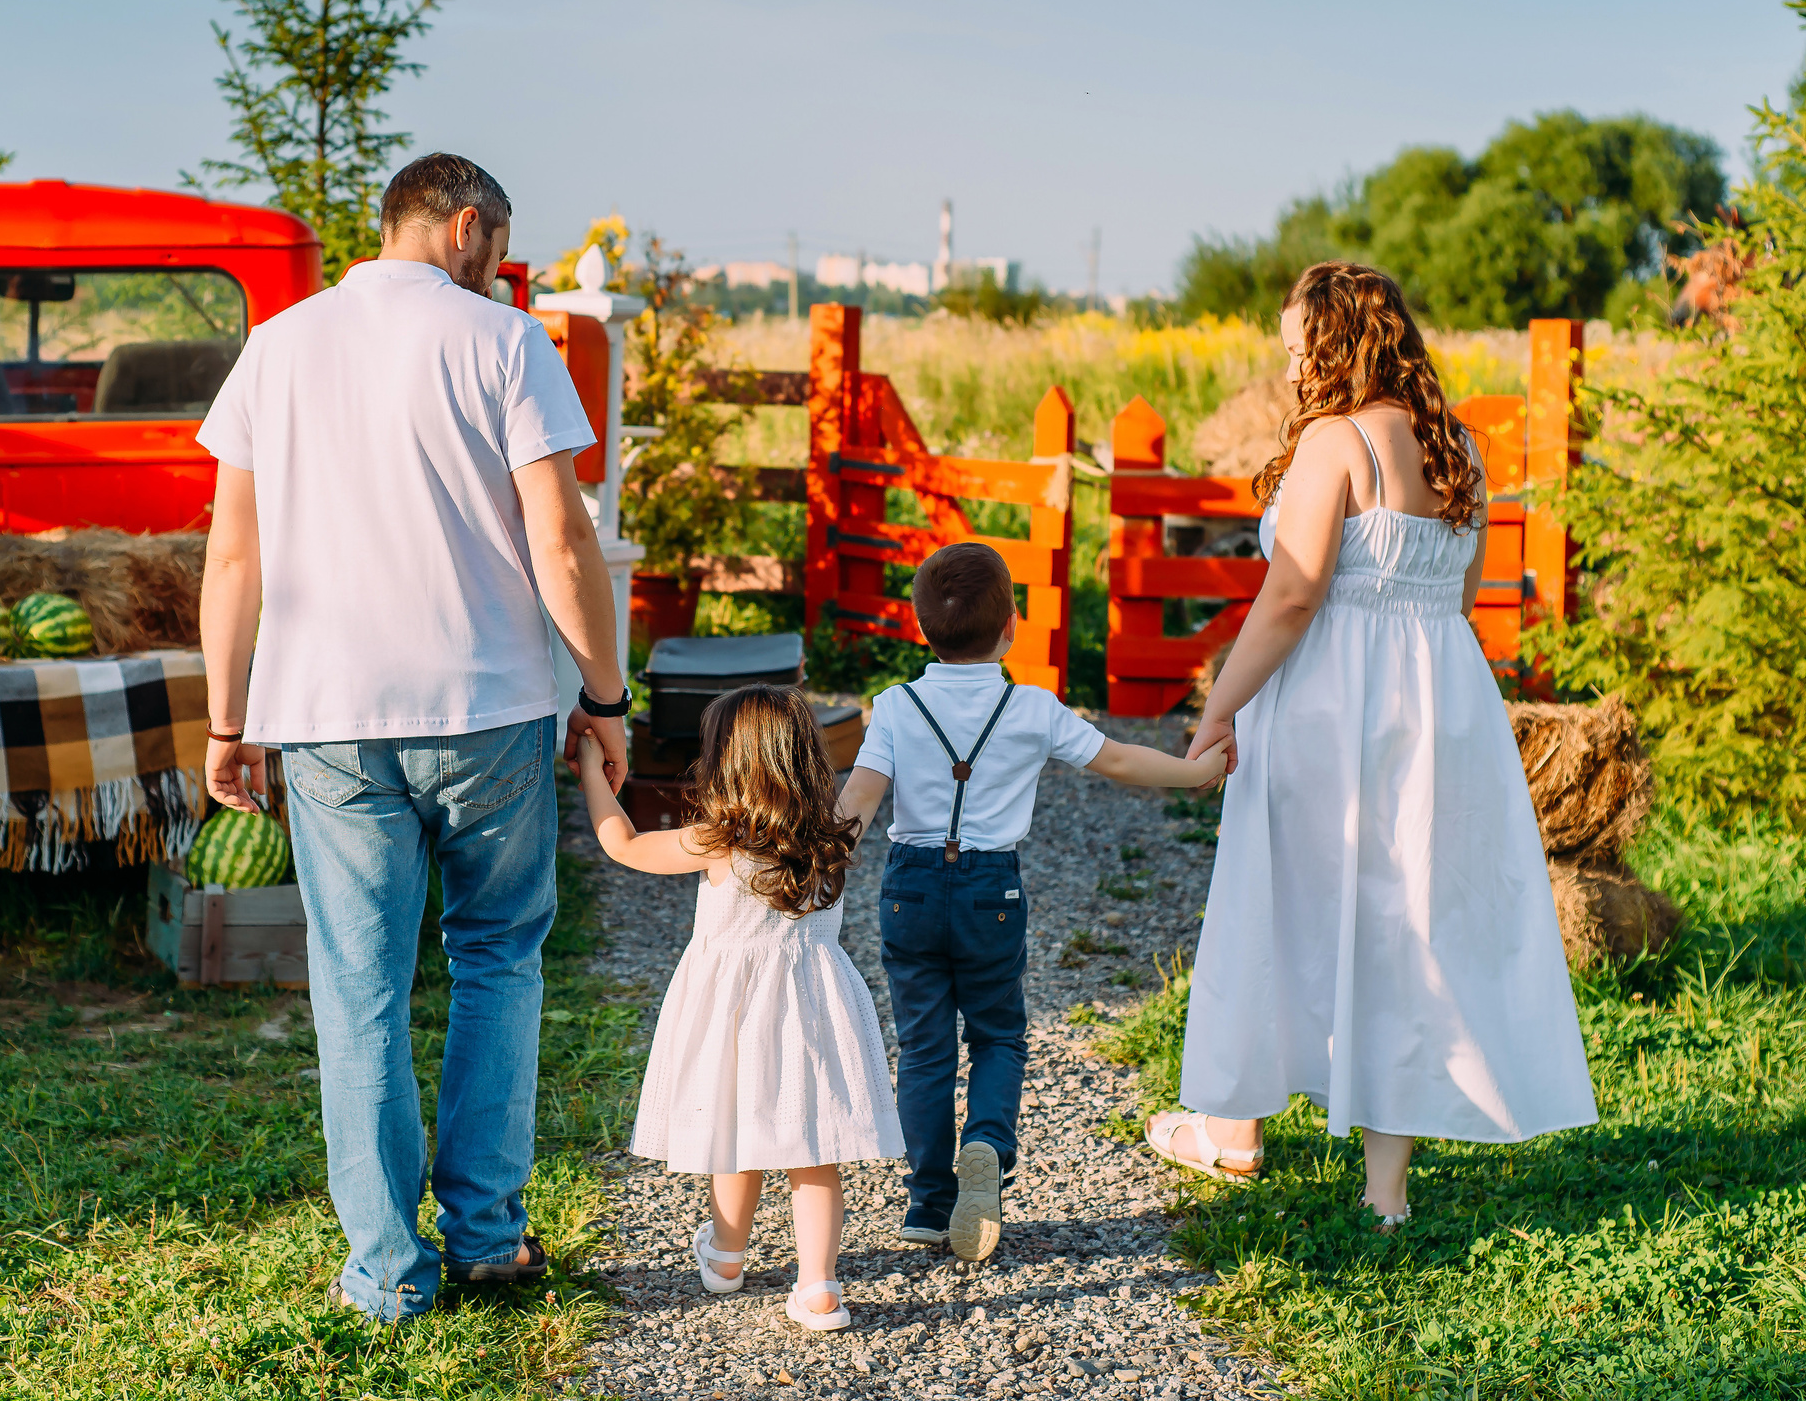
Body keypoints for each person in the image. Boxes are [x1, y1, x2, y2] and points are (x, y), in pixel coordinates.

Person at [197, 153, 635, 1321]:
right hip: (485, 707)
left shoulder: (278, 346)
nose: (496, 263)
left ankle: (388, 1268)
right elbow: (561, 540)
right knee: (497, 958)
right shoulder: (506, 344)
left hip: (327, 718)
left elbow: (231, 555)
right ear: (464, 226)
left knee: (360, 989)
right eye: (494, 242)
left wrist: (225, 716)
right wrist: (604, 695)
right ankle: (487, 1235)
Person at [1149, 260, 1596, 1225]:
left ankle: (1234, 1129)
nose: (1288, 358)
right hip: (1442, 704)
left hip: (1328, 704)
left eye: (1295, 340)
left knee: (1284, 894)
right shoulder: (1459, 453)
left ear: (1331, 341)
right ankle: (1384, 1193)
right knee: (1407, 920)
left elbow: (1294, 591)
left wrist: (1222, 704)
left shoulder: (1333, 442)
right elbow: (1459, 598)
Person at [836, 542, 1231, 1262]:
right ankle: (986, 1140)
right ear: (1011, 624)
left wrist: (821, 857)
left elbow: (862, 792)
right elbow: (1115, 757)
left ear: (920, 626)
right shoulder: (1032, 707)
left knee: (923, 1046)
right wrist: (1193, 771)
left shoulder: (895, 704)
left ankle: (928, 1201)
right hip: (993, 888)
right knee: (997, 1033)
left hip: (911, 887)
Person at [576, 685, 900, 1333]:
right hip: (811, 1012)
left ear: (724, 761)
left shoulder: (717, 841)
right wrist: (893, 721)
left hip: (731, 1015)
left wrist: (591, 763)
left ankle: (726, 1257)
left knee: (733, 1134)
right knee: (814, 1149)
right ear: (806, 756)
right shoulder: (833, 832)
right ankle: (818, 1289)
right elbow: (869, 780)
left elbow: (624, 843)